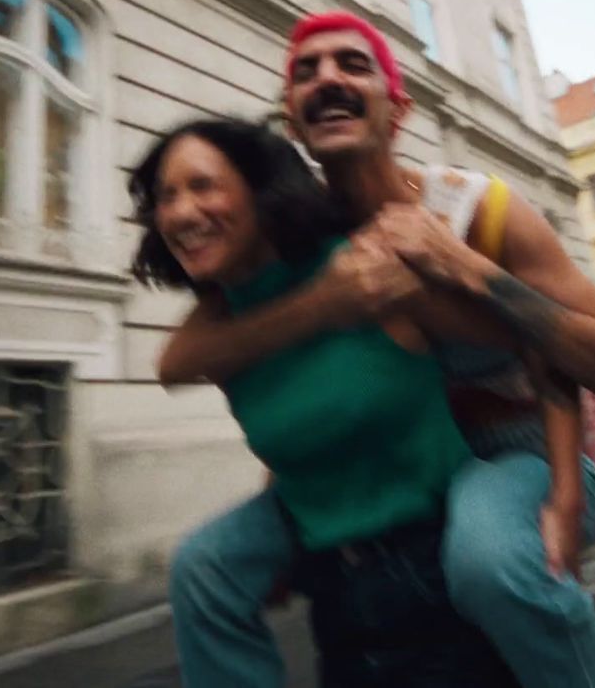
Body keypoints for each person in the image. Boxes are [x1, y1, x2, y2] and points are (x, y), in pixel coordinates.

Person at [161, 12, 595, 688]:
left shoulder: (479, 209)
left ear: (398, 109)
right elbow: (232, 362)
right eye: (306, 71)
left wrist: (467, 268)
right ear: (292, 119)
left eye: (352, 64)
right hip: (383, 464)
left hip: (511, 452)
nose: (328, 77)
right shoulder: (304, 235)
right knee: (204, 568)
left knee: (490, 563)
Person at [129, 117, 519, 687]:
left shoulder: (366, 264)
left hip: (439, 578)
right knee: (200, 567)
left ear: (260, 190)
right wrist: (322, 304)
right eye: (167, 196)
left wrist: (553, 491)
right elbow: (173, 367)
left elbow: (516, 344)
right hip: (337, 593)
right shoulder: (226, 316)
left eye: (203, 185)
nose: (182, 212)